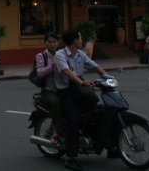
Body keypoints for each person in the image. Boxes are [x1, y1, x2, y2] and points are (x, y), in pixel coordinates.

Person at [54, 28, 108, 171]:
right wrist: (81, 82)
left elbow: (95, 66)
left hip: (78, 89)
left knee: (98, 110)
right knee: (73, 120)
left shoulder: (80, 54)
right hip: (65, 92)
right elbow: (66, 71)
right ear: (74, 40)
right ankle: (71, 158)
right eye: (80, 38)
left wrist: (109, 77)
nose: (82, 40)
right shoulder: (60, 54)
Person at [35, 32, 61, 141]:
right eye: (49, 42)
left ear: (58, 43)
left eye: (54, 42)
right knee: (57, 103)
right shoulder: (41, 56)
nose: (52, 44)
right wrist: (52, 66)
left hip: (62, 88)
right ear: (45, 43)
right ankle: (56, 131)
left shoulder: (61, 54)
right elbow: (40, 72)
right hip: (48, 90)